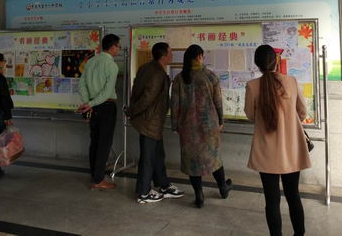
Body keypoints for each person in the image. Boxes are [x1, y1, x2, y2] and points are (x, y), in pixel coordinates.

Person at [244, 45, 311, 236]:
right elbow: (302, 112)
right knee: (293, 196)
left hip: (266, 152)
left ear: (257, 64)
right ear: (277, 61)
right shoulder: (291, 81)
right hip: (291, 150)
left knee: (272, 201)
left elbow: (250, 115)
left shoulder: (252, 86)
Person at [170, 44, 232, 208]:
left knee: (193, 162)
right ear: (199, 57)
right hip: (209, 126)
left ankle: (199, 196)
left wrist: (174, 125)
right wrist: (221, 121)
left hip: (188, 127)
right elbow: (218, 102)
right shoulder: (210, 76)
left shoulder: (179, 79)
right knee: (214, 158)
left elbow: (174, 104)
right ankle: (223, 188)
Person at [128, 42, 185, 204]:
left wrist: (133, 111)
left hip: (151, 121)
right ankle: (143, 192)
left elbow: (136, 91)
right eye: (170, 53)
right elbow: (147, 98)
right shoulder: (157, 73)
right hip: (150, 121)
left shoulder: (146, 68)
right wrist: (132, 111)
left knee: (158, 155)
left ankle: (163, 185)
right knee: (148, 157)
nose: (172, 55)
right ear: (163, 56)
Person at [77, 33, 121, 190]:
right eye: (118, 46)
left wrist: (88, 103)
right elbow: (107, 91)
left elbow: (81, 85)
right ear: (113, 47)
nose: (119, 49)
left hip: (92, 107)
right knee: (104, 143)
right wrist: (91, 103)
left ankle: (94, 175)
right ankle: (98, 180)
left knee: (95, 141)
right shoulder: (112, 65)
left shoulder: (90, 61)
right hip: (106, 107)